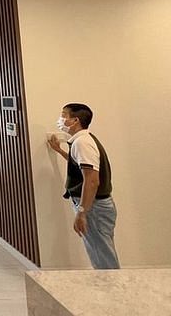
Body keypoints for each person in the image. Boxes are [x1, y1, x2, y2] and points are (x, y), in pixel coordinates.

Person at [48, 103, 120, 269]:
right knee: (100, 251)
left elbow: (92, 180)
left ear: (75, 120)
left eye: (64, 115)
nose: (60, 119)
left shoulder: (82, 143)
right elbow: (80, 165)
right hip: (94, 206)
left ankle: (110, 284)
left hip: (94, 207)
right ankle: (107, 282)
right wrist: (59, 151)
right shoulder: (83, 140)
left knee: (102, 254)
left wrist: (82, 212)